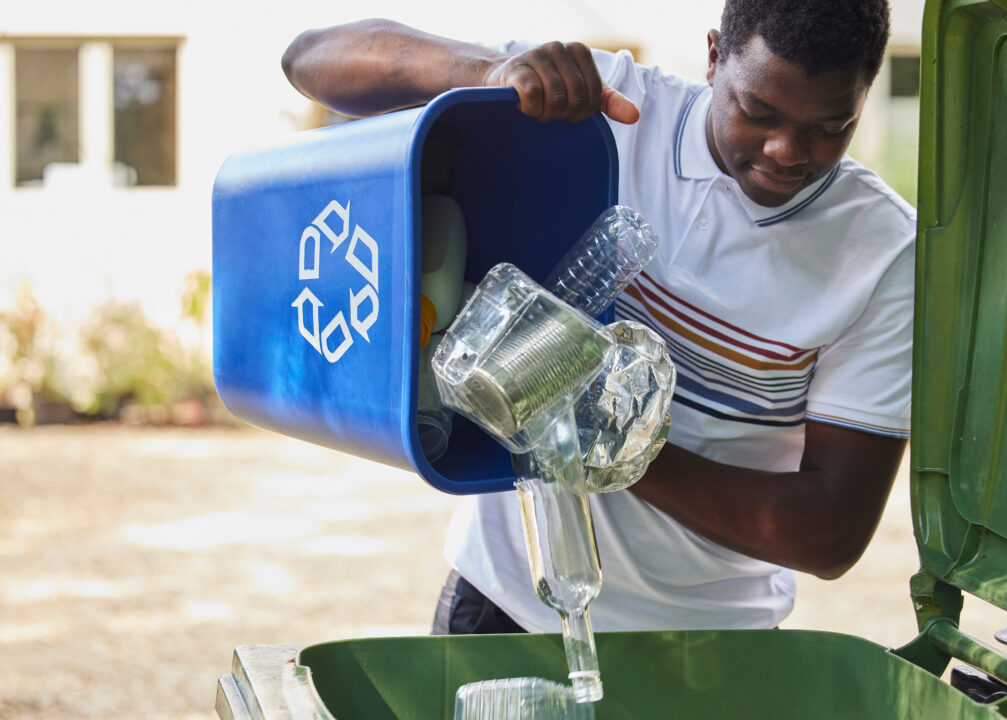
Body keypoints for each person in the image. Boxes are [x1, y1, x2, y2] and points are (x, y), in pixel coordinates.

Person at [282, 0, 914, 635]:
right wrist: (492, 73)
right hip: (509, 602)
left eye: (831, 126)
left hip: (714, 641)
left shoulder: (881, 251)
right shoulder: (602, 107)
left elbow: (830, 533)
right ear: (716, 55)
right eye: (758, 112)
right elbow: (311, 59)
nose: (786, 151)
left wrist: (617, 445)